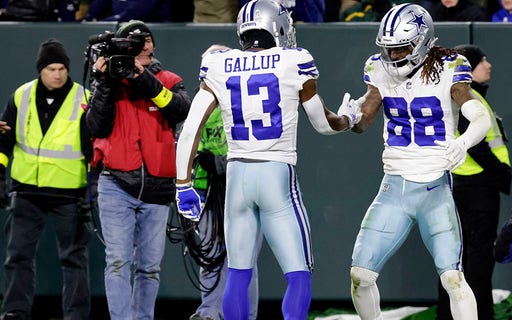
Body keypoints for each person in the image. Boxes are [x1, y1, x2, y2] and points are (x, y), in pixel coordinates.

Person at [174, 1, 361, 319]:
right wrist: (348, 117)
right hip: (276, 176)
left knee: (237, 274)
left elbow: (191, 127)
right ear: (277, 26)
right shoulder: (294, 61)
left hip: (237, 178)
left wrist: (182, 184)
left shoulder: (220, 63)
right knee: (298, 275)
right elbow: (322, 124)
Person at [347, 4, 491, 320]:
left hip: (433, 188)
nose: (394, 56)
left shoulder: (450, 67)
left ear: (422, 41)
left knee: (453, 278)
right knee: (360, 275)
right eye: (389, 49)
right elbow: (363, 121)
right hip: (393, 186)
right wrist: (344, 118)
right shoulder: (378, 69)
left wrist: (464, 140)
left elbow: (479, 116)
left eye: (402, 48)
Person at [85, 20, 191, 319]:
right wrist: (104, 83)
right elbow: (95, 127)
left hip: (157, 187)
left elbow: (181, 109)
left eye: (147, 40)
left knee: (149, 267)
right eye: (135, 42)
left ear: (153, 45)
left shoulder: (168, 80)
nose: (143, 45)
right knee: (118, 261)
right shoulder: (108, 81)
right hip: (116, 183)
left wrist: (145, 80)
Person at [0, 38, 92, 320]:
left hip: (68, 192)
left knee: (74, 259)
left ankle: (76, 315)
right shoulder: (21, 95)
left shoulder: (84, 98)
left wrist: (92, 190)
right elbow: (4, 140)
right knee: (18, 256)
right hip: (27, 191)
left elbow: (92, 149)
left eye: (62, 68)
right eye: (51, 68)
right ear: (40, 69)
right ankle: (15, 311)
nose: (57, 74)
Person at [436, 44, 512, 320]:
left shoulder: (468, 96)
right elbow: (477, 146)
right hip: (476, 190)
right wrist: (501, 173)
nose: (488, 64)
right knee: (477, 261)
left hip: (464, 188)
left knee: (454, 261)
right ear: (469, 67)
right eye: (482, 60)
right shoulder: (469, 100)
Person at [187, 44, 261, 320]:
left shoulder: (247, 103)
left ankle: (243, 315)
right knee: (211, 255)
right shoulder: (198, 103)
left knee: (242, 260)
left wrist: (218, 162)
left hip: (241, 190)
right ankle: (208, 313)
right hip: (206, 189)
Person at [80, 0, 173, 22]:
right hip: (124, 34)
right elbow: (95, 10)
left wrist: (103, 22)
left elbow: (135, 14)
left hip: (157, 36)